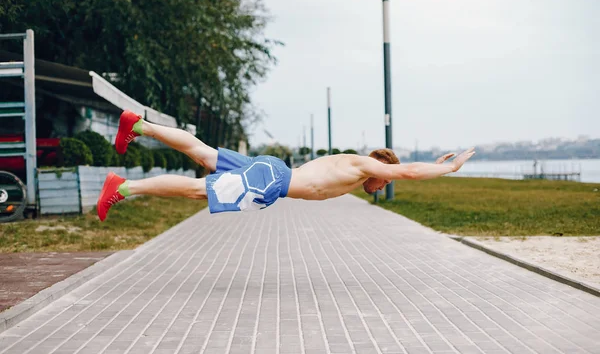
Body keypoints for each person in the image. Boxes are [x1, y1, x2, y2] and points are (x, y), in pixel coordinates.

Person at [97, 110, 475, 221]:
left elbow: (407, 167)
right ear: (380, 170)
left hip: (272, 169)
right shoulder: (363, 166)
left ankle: (140, 125)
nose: (383, 187)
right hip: (271, 182)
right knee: (200, 189)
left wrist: (432, 163)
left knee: (203, 153)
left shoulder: (351, 162)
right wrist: (450, 168)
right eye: (384, 182)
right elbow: (407, 170)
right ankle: (124, 188)